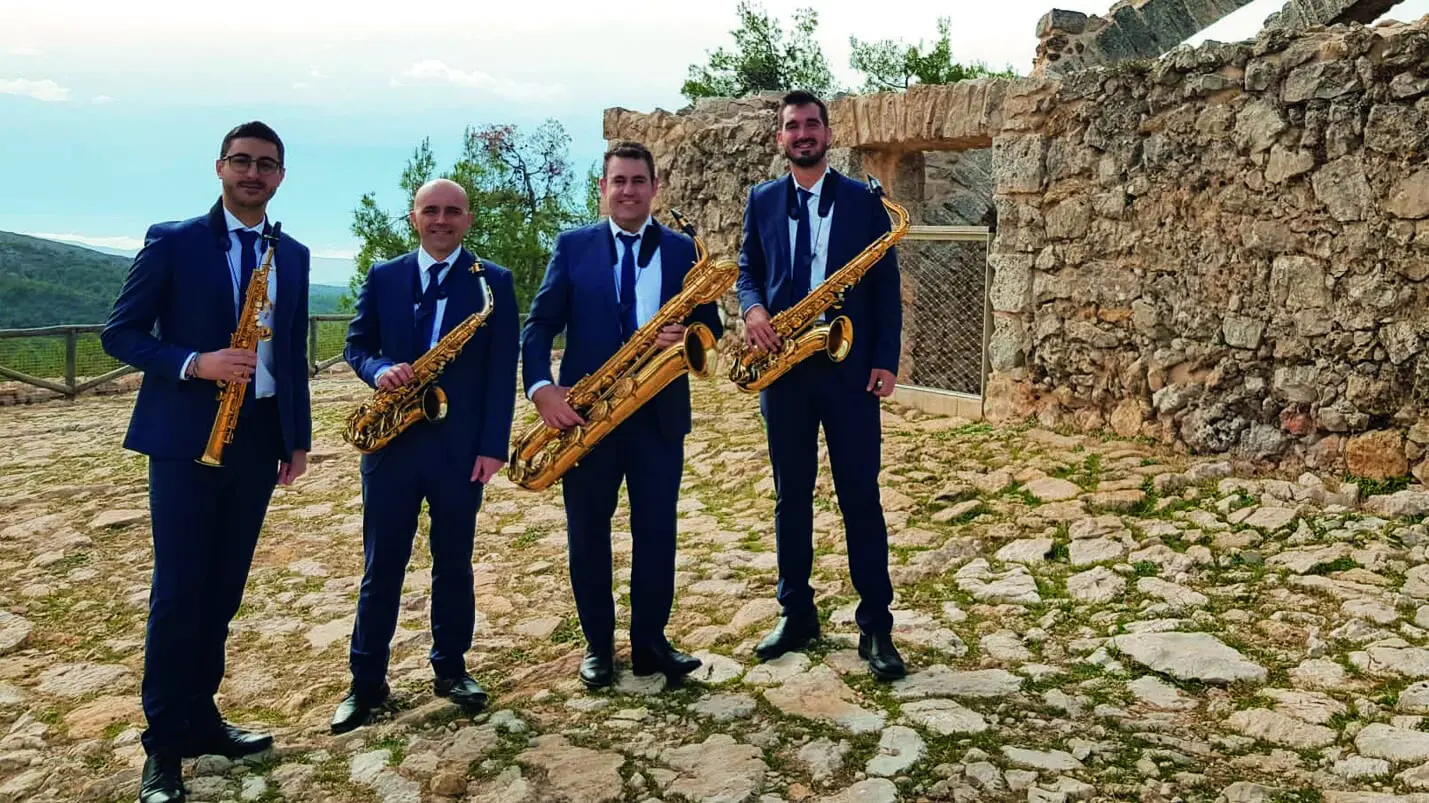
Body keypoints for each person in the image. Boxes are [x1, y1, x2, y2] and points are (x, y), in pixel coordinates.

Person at [101, 121, 312, 803]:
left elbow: (289, 354)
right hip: (186, 438)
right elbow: (121, 334)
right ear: (220, 167)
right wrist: (197, 363)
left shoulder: (293, 253)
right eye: (241, 161)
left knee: (223, 589)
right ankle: (163, 745)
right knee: (179, 592)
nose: (253, 173)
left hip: (257, 437)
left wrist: (296, 436)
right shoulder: (172, 240)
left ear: (280, 177)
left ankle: (201, 717)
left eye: (266, 164)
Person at [521, 141, 723, 689]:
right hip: (586, 416)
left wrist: (691, 334)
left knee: (656, 532)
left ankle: (651, 642)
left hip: (659, 414)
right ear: (603, 188)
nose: (628, 191)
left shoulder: (683, 250)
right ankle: (598, 646)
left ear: (654, 187)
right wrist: (543, 390)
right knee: (588, 533)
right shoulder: (572, 246)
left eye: (638, 181)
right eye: (619, 181)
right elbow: (539, 326)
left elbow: (712, 326)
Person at [332, 178, 519, 734]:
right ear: (413, 218)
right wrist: (377, 370)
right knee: (381, 567)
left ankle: (451, 668)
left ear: (468, 220)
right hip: (391, 444)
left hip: (460, 450)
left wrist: (492, 447)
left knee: (454, 563)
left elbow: (500, 370)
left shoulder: (493, 283)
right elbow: (356, 345)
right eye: (431, 210)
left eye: (453, 211)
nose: (442, 220)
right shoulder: (383, 275)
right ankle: (366, 682)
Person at [736, 90, 907, 681]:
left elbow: (885, 286)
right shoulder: (762, 199)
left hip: (849, 367)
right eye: (792, 126)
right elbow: (748, 270)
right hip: (783, 367)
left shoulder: (864, 201)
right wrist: (754, 310)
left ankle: (876, 625)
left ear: (828, 134)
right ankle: (796, 612)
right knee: (791, 496)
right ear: (780, 138)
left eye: (812, 124)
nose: (802, 134)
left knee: (860, 495)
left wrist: (885, 359)